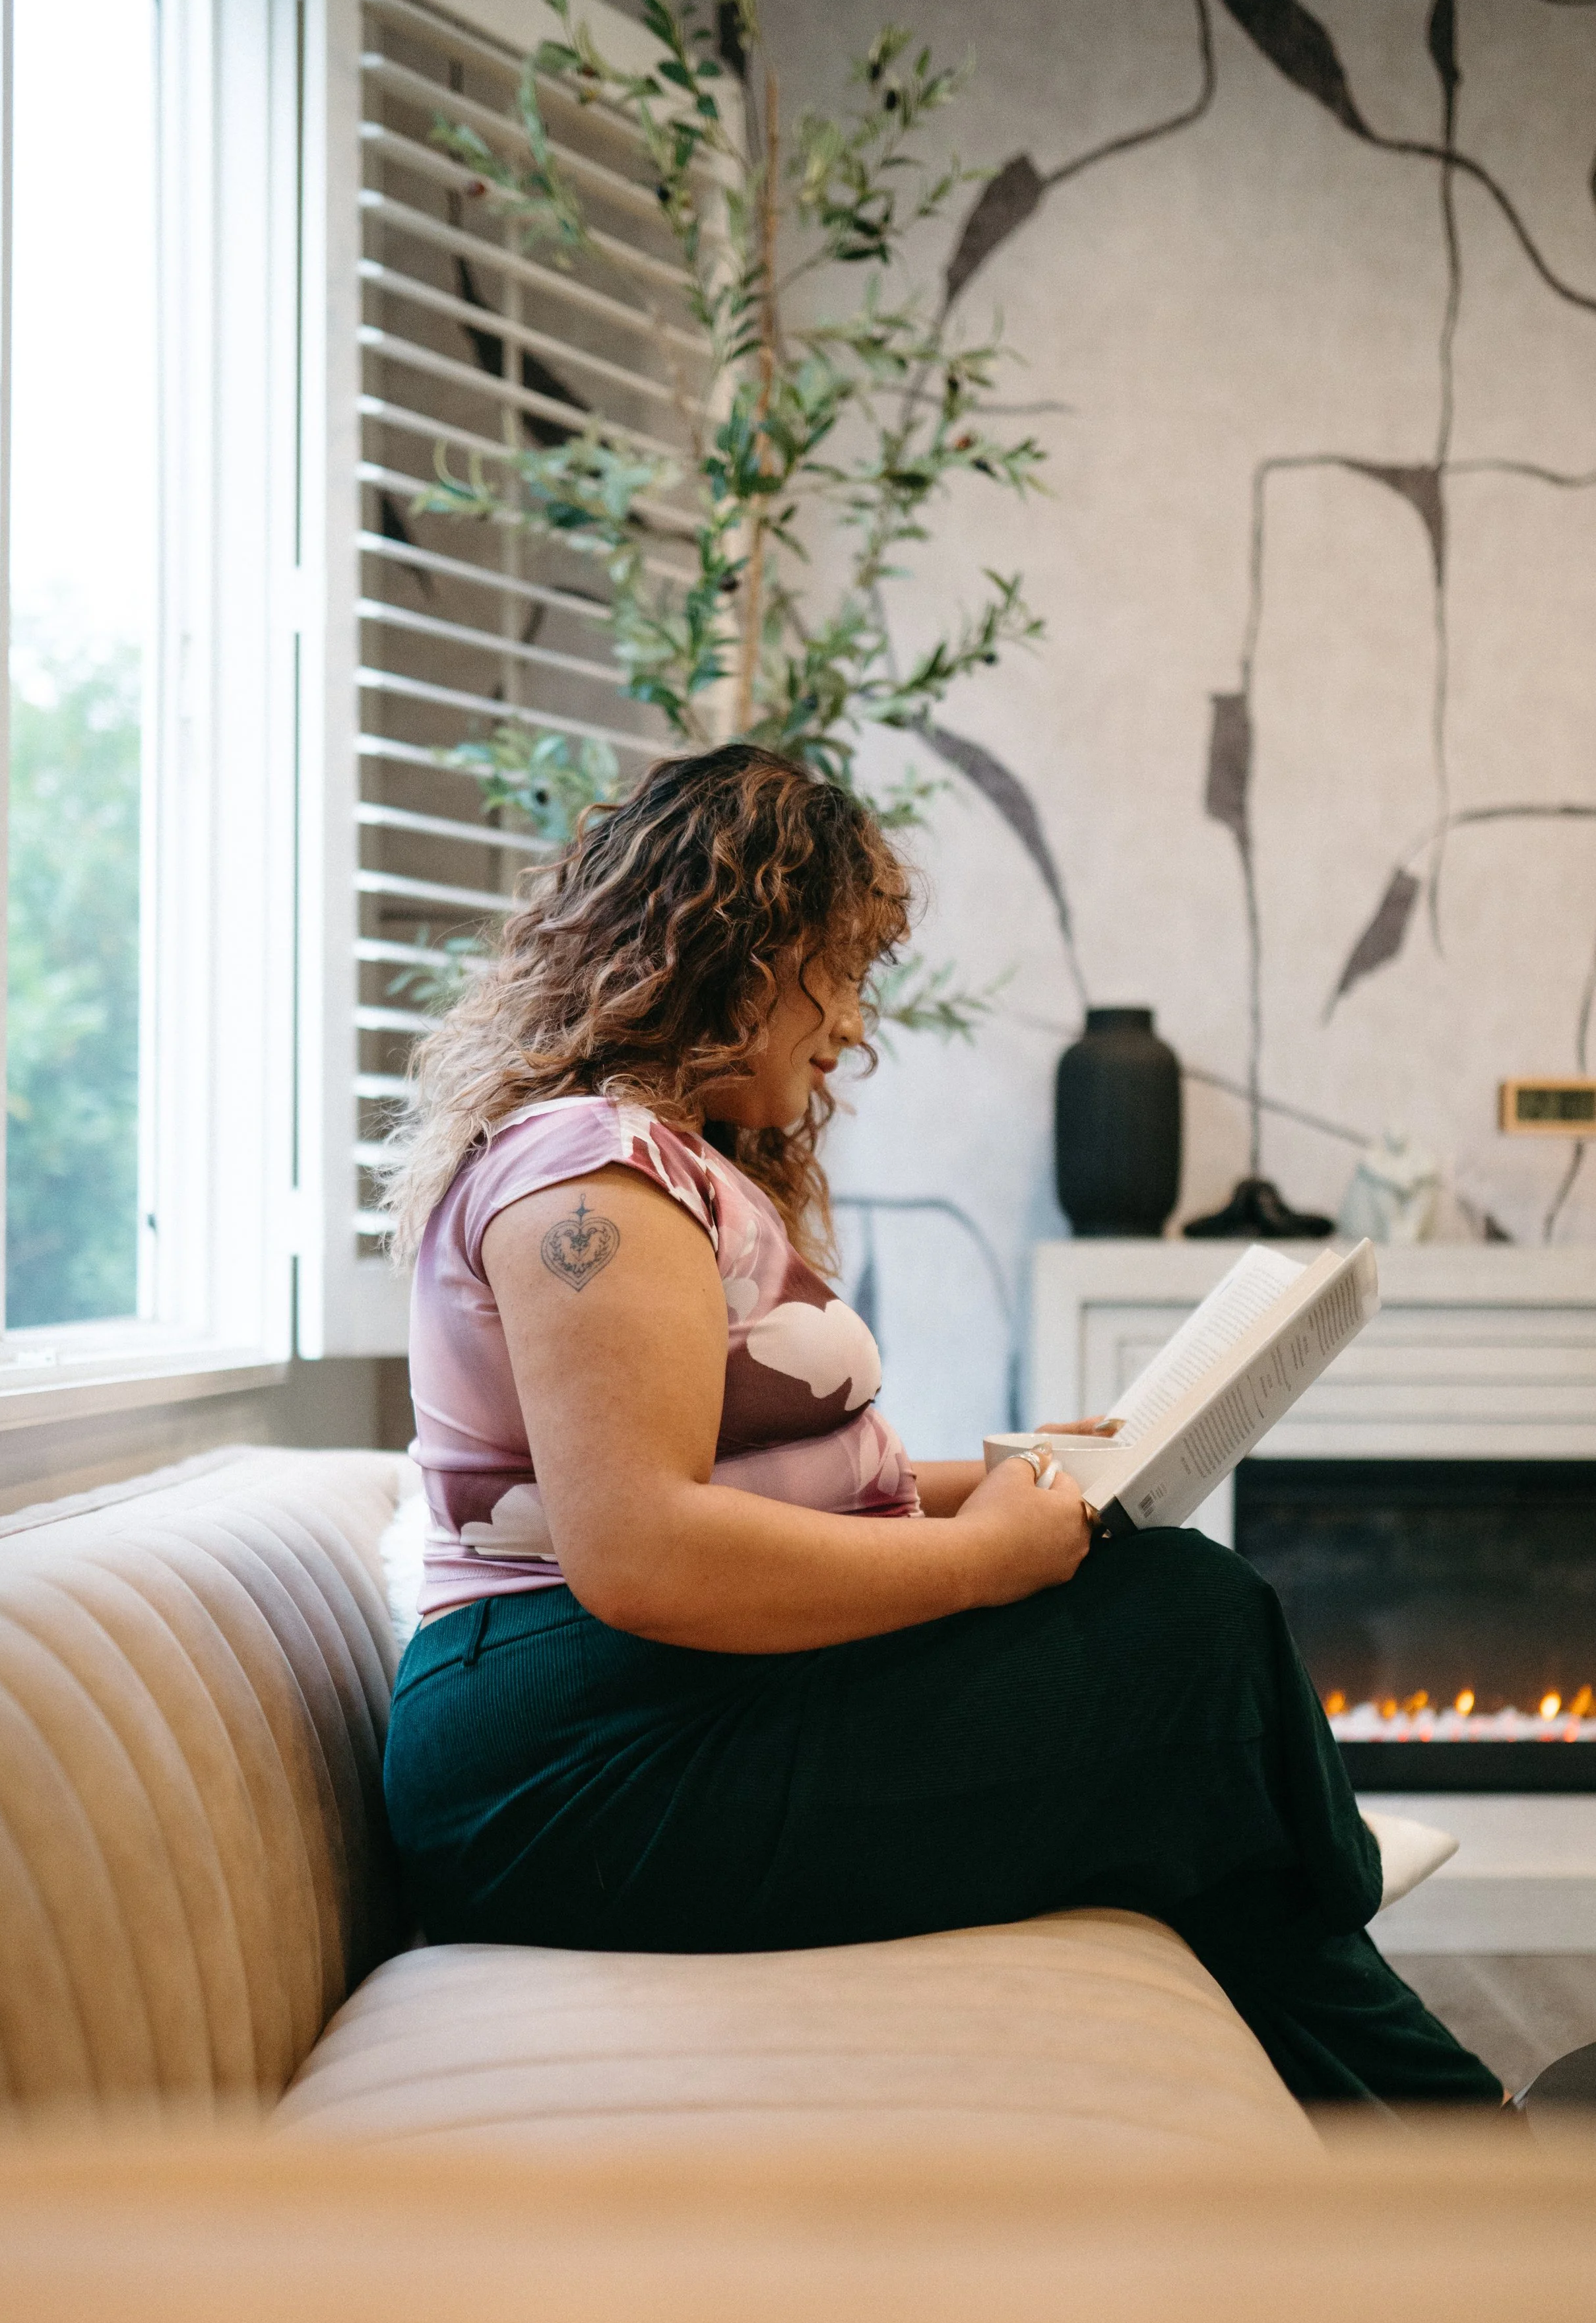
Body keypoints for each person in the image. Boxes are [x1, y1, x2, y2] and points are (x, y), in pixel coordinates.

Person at [381, 742, 1502, 2111]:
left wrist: (1010, 1474)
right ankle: (1355, 1913)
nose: (852, 1025)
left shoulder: (656, 1161)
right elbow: (641, 1552)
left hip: (653, 1705)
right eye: (839, 973)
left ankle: (1443, 2106)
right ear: (740, 952)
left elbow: (733, 1487)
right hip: (570, 1766)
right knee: (1189, 1626)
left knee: (1180, 1678)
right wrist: (980, 1561)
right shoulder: (588, 1180)